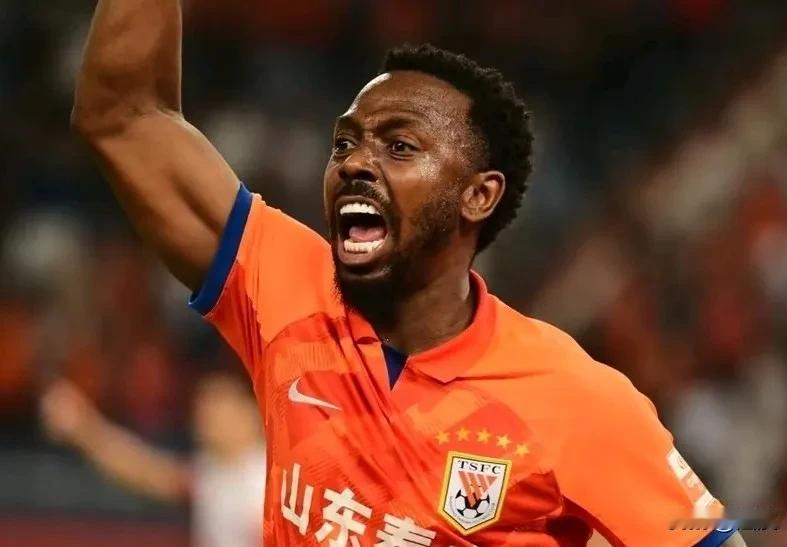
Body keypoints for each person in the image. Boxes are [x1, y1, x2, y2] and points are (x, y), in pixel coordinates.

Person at [70, 1, 747, 545]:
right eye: (344, 142)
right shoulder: (286, 283)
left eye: (398, 146)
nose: (353, 163)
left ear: (478, 195)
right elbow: (123, 116)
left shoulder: (573, 398)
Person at [40, 373, 265, 547]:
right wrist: (85, 428)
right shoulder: (210, 475)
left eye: (220, 410)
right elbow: (144, 470)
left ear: (250, 412)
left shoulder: (271, 474)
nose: (209, 421)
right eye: (204, 413)